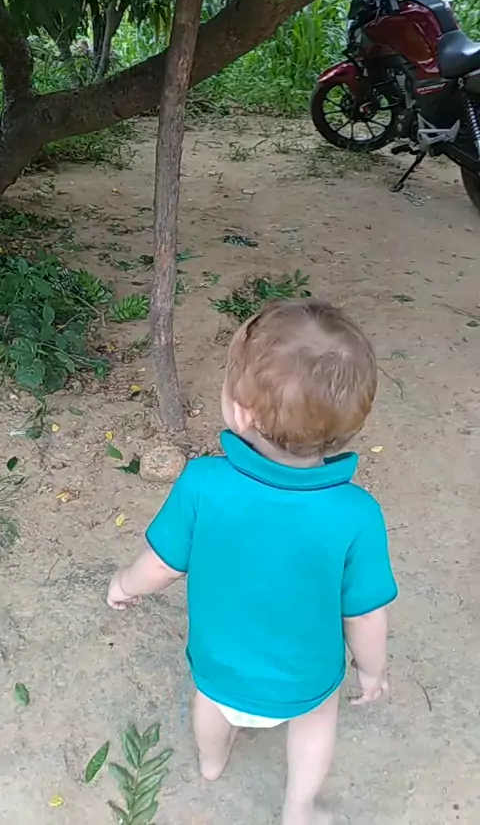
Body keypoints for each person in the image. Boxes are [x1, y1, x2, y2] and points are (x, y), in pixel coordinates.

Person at [107, 299, 398, 825]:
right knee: (316, 720)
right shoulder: (357, 514)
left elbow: (162, 565)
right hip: (306, 677)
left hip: (219, 665)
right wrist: (372, 670)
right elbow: (363, 614)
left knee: (210, 706)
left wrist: (124, 585)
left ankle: (212, 762)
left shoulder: (202, 482)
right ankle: (298, 807)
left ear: (242, 413)